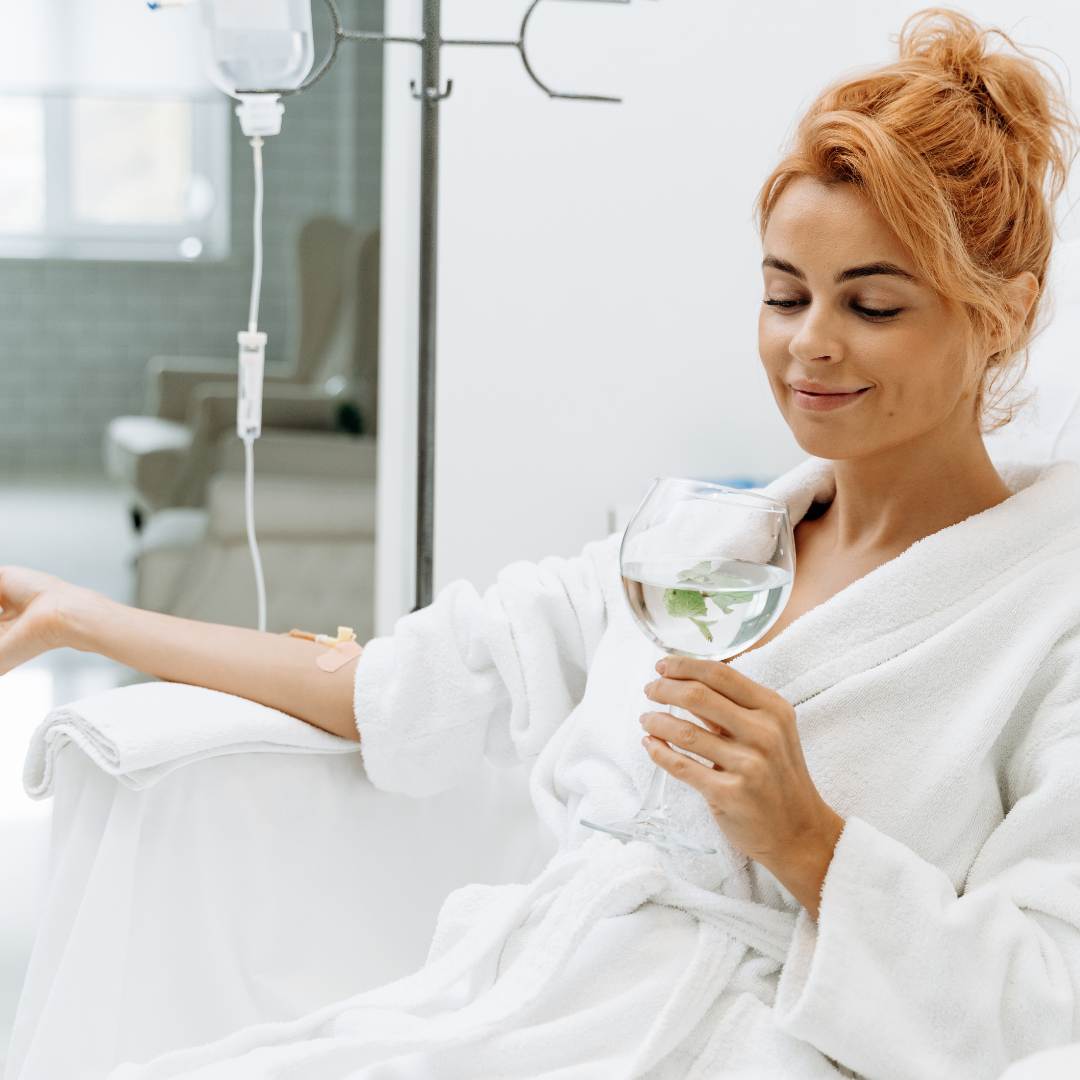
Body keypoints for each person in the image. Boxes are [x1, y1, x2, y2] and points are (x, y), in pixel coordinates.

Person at [4, 6, 1080, 1078]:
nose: (810, 343)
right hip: (522, 1011)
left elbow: (1044, 1002)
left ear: (1006, 315)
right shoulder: (700, 556)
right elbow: (395, 682)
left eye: (874, 306)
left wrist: (808, 841)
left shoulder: (1047, 618)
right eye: (782, 294)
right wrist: (79, 617)